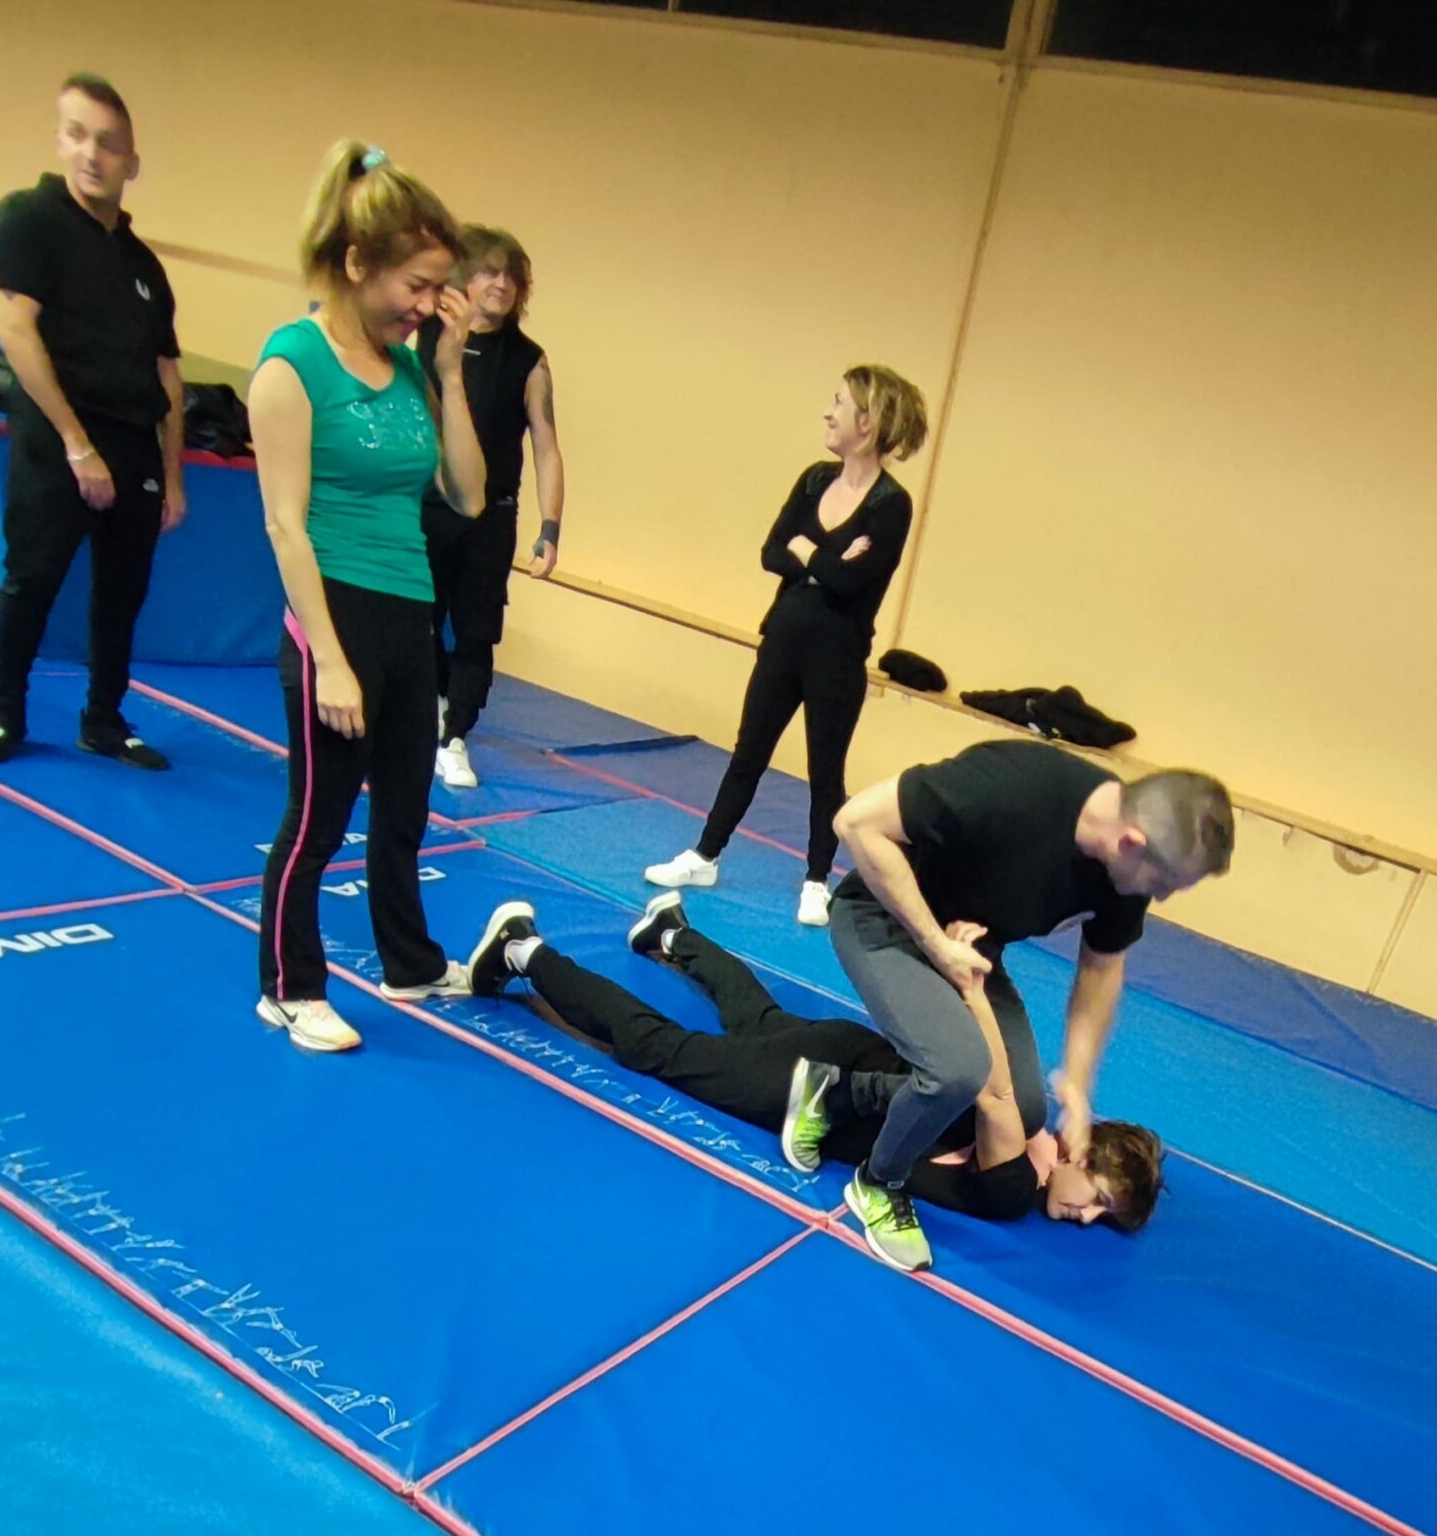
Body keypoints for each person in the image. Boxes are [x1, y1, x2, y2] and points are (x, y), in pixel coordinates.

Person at [462, 892, 1164, 1250]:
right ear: (1084, 1153)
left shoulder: (1036, 1136)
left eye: (1098, 1218)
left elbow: (998, 1085)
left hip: (844, 1050)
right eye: (1096, 1195)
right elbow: (991, 1085)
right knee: (659, 1049)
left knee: (758, 1020)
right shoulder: (1014, 1182)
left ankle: (670, 932)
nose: (1084, 1216)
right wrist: (972, 991)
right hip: (813, 1091)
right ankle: (525, 952)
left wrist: (968, 993)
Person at [250, 141, 486, 1053]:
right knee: (316, 817)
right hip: (332, 614)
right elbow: (285, 526)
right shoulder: (292, 364)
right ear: (358, 264)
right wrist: (331, 661)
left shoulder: (415, 370)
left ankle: (408, 961)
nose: (427, 306)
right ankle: (287, 984)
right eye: (418, 286)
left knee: (404, 809)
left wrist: (454, 366)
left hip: (405, 609)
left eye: (438, 289)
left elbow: (466, 493)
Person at [829, 738, 1233, 1271]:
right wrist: (934, 943)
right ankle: (878, 1182)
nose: (1157, 898)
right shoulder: (1013, 787)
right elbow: (855, 822)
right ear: (1132, 842)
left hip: (971, 953)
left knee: (1026, 1109)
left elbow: (1102, 968)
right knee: (960, 1069)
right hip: (885, 919)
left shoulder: (1125, 874)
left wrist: (1079, 1087)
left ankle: (837, 1090)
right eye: (1163, 884)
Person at [644, 367, 927, 927]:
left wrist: (808, 552)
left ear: (867, 422)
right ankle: (705, 855)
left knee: (826, 771)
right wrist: (823, 557)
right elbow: (773, 551)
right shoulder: (813, 480)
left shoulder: (891, 504)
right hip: (783, 640)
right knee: (748, 753)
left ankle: (817, 879)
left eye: (839, 403)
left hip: (837, 656)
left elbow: (851, 584)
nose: (828, 412)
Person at [0, 73, 186, 770]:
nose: (93, 154)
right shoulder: (27, 219)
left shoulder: (144, 264)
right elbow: (17, 332)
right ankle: (4, 707)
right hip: (61, 438)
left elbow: (167, 375)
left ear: (132, 164)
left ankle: (104, 718)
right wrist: (76, 446)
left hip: (133, 444)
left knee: (122, 593)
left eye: (110, 144)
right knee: (33, 577)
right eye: (80, 135)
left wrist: (172, 477)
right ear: (61, 139)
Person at [418, 226, 565, 790]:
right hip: (428, 505)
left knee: (477, 630)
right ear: (465, 278)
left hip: (492, 512)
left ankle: (455, 735)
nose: (500, 283)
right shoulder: (429, 333)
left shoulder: (528, 360)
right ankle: (431, 703)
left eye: (511, 275)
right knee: (418, 616)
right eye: (489, 271)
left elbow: (548, 448)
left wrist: (550, 528)